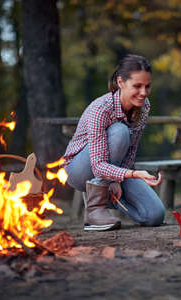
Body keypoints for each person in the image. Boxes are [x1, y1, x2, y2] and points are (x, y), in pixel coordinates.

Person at [62, 54, 165, 231]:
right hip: (78, 169)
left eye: (147, 86)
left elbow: (131, 150)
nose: (143, 93)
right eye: (137, 86)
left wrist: (116, 180)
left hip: (113, 170)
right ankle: (95, 211)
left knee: (155, 215)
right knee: (120, 131)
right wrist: (133, 174)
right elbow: (98, 165)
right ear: (121, 82)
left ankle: (108, 198)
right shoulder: (101, 109)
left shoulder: (144, 106)